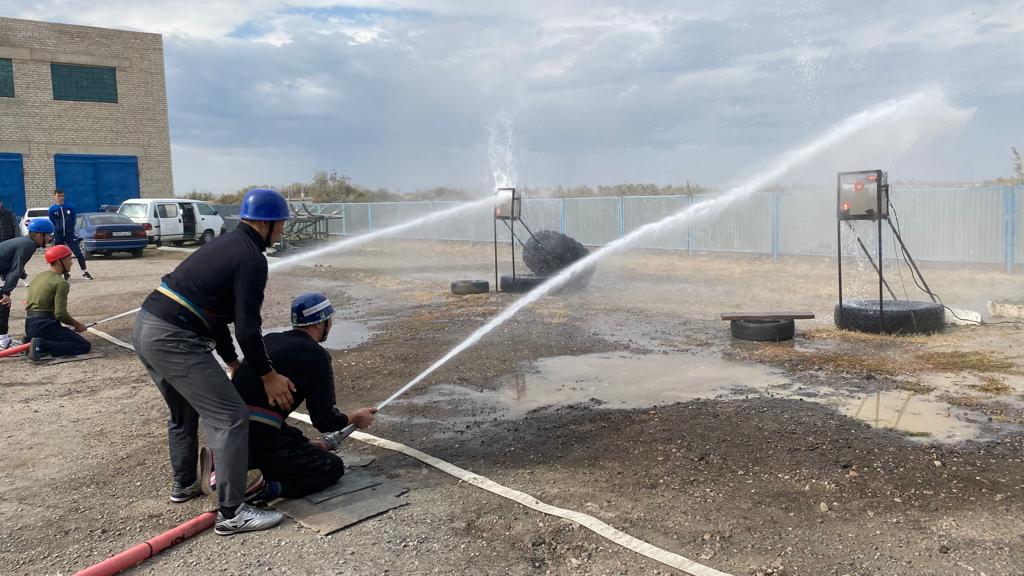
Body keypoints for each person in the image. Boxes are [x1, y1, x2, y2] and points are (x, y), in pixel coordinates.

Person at [133, 188, 293, 536]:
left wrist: (232, 361)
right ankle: (233, 512)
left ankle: (185, 484)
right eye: (281, 223)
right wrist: (268, 374)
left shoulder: (226, 244)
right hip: (174, 338)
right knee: (231, 417)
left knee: (184, 412)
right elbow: (249, 328)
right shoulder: (251, 257)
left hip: (147, 326)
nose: (282, 230)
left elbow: (216, 315)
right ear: (268, 223)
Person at [230, 293, 377, 501]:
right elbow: (324, 419)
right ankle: (264, 489)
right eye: (329, 320)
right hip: (258, 438)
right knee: (332, 467)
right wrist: (354, 418)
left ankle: (231, 466)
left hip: (230, 431)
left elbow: (261, 410)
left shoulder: (269, 341)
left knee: (293, 438)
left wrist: (303, 444)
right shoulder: (316, 355)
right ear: (321, 323)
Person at [24, 245, 91, 360]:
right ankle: (40, 344)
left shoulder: (39, 277)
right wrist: (77, 325)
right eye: (69, 259)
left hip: (30, 325)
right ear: (60, 261)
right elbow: (61, 314)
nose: (71, 263)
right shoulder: (61, 283)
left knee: (62, 337)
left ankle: (31, 341)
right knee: (84, 345)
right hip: (45, 325)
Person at [0, 219, 53, 350]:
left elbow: (9, 264)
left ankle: (3, 339)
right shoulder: (28, 244)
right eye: (49, 235)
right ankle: (3, 342)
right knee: (3, 302)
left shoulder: (26, 242)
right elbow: (16, 269)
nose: (50, 238)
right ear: (40, 235)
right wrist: (7, 292)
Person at [48, 188, 92, 280]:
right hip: (58, 234)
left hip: (70, 234)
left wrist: (70, 229)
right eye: (58, 196)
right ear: (54, 196)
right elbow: (52, 221)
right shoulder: (52, 209)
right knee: (58, 255)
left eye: (62, 196)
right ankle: (65, 273)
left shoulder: (70, 207)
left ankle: (84, 272)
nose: (60, 198)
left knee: (78, 253)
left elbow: (73, 220)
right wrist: (57, 229)